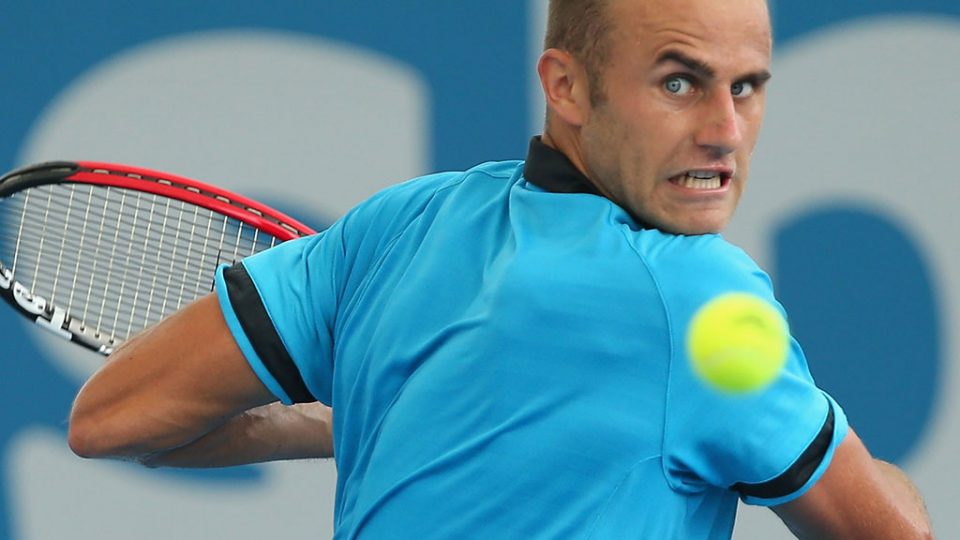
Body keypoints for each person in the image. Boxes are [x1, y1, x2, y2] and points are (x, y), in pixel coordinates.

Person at [67, 0, 933, 538]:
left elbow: (114, 419)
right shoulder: (693, 296)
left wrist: (341, 421)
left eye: (746, 86)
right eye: (680, 83)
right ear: (567, 86)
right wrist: (815, 434)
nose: (725, 130)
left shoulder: (394, 229)